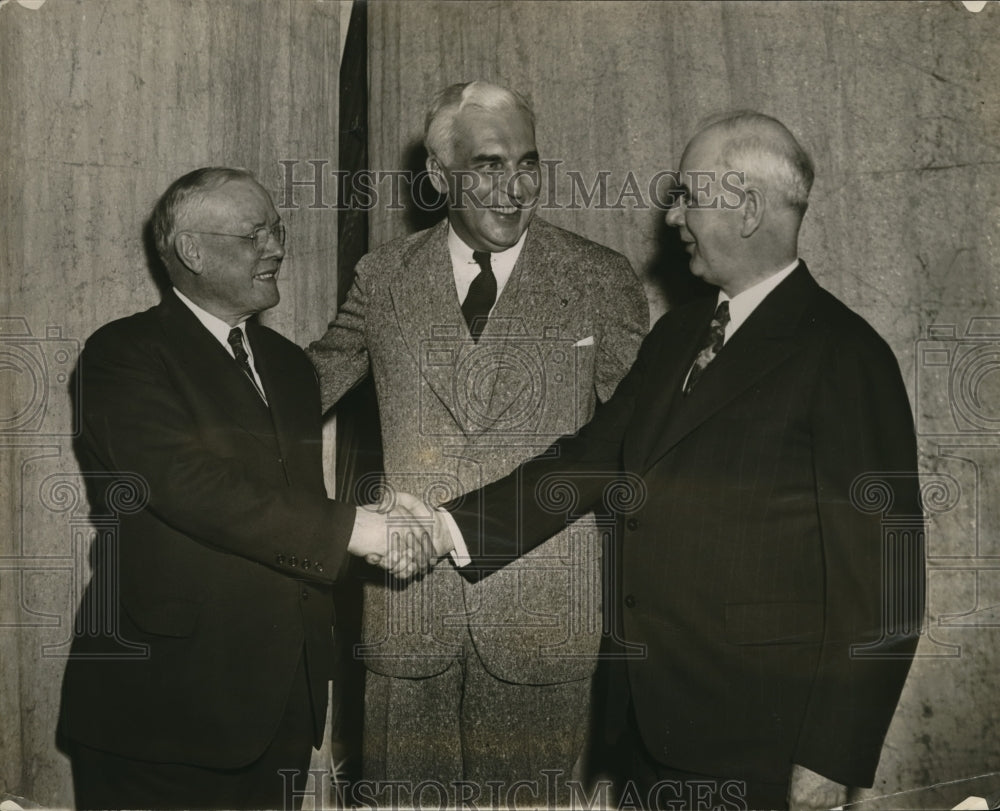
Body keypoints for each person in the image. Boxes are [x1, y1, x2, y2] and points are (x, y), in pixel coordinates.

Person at [435, 112, 925, 811]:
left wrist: (827, 756)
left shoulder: (845, 355)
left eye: (688, 195)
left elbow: (886, 582)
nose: (671, 216)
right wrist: (448, 528)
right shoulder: (677, 334)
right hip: (642, 732)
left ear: (748, 208)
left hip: (760, 749)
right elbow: (591, 461)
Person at [307, 81, 648, 800]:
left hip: (544, 616)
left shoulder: (599, 278)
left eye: (528, 163)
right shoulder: (385, 276)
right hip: (408, 614)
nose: (515, 187)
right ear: (438, 176)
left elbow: (639, 439)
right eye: (490, 165)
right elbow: (302, 390)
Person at [59, 167, 430, 810]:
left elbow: (277, 501)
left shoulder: (289, 366)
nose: (277, 246)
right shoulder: (122, 354)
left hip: (279, 701)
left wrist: (364, 512)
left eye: (277, 229)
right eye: (254, 232)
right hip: (164, 710)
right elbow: (187, 485)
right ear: (192, 251)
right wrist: (358, 531)